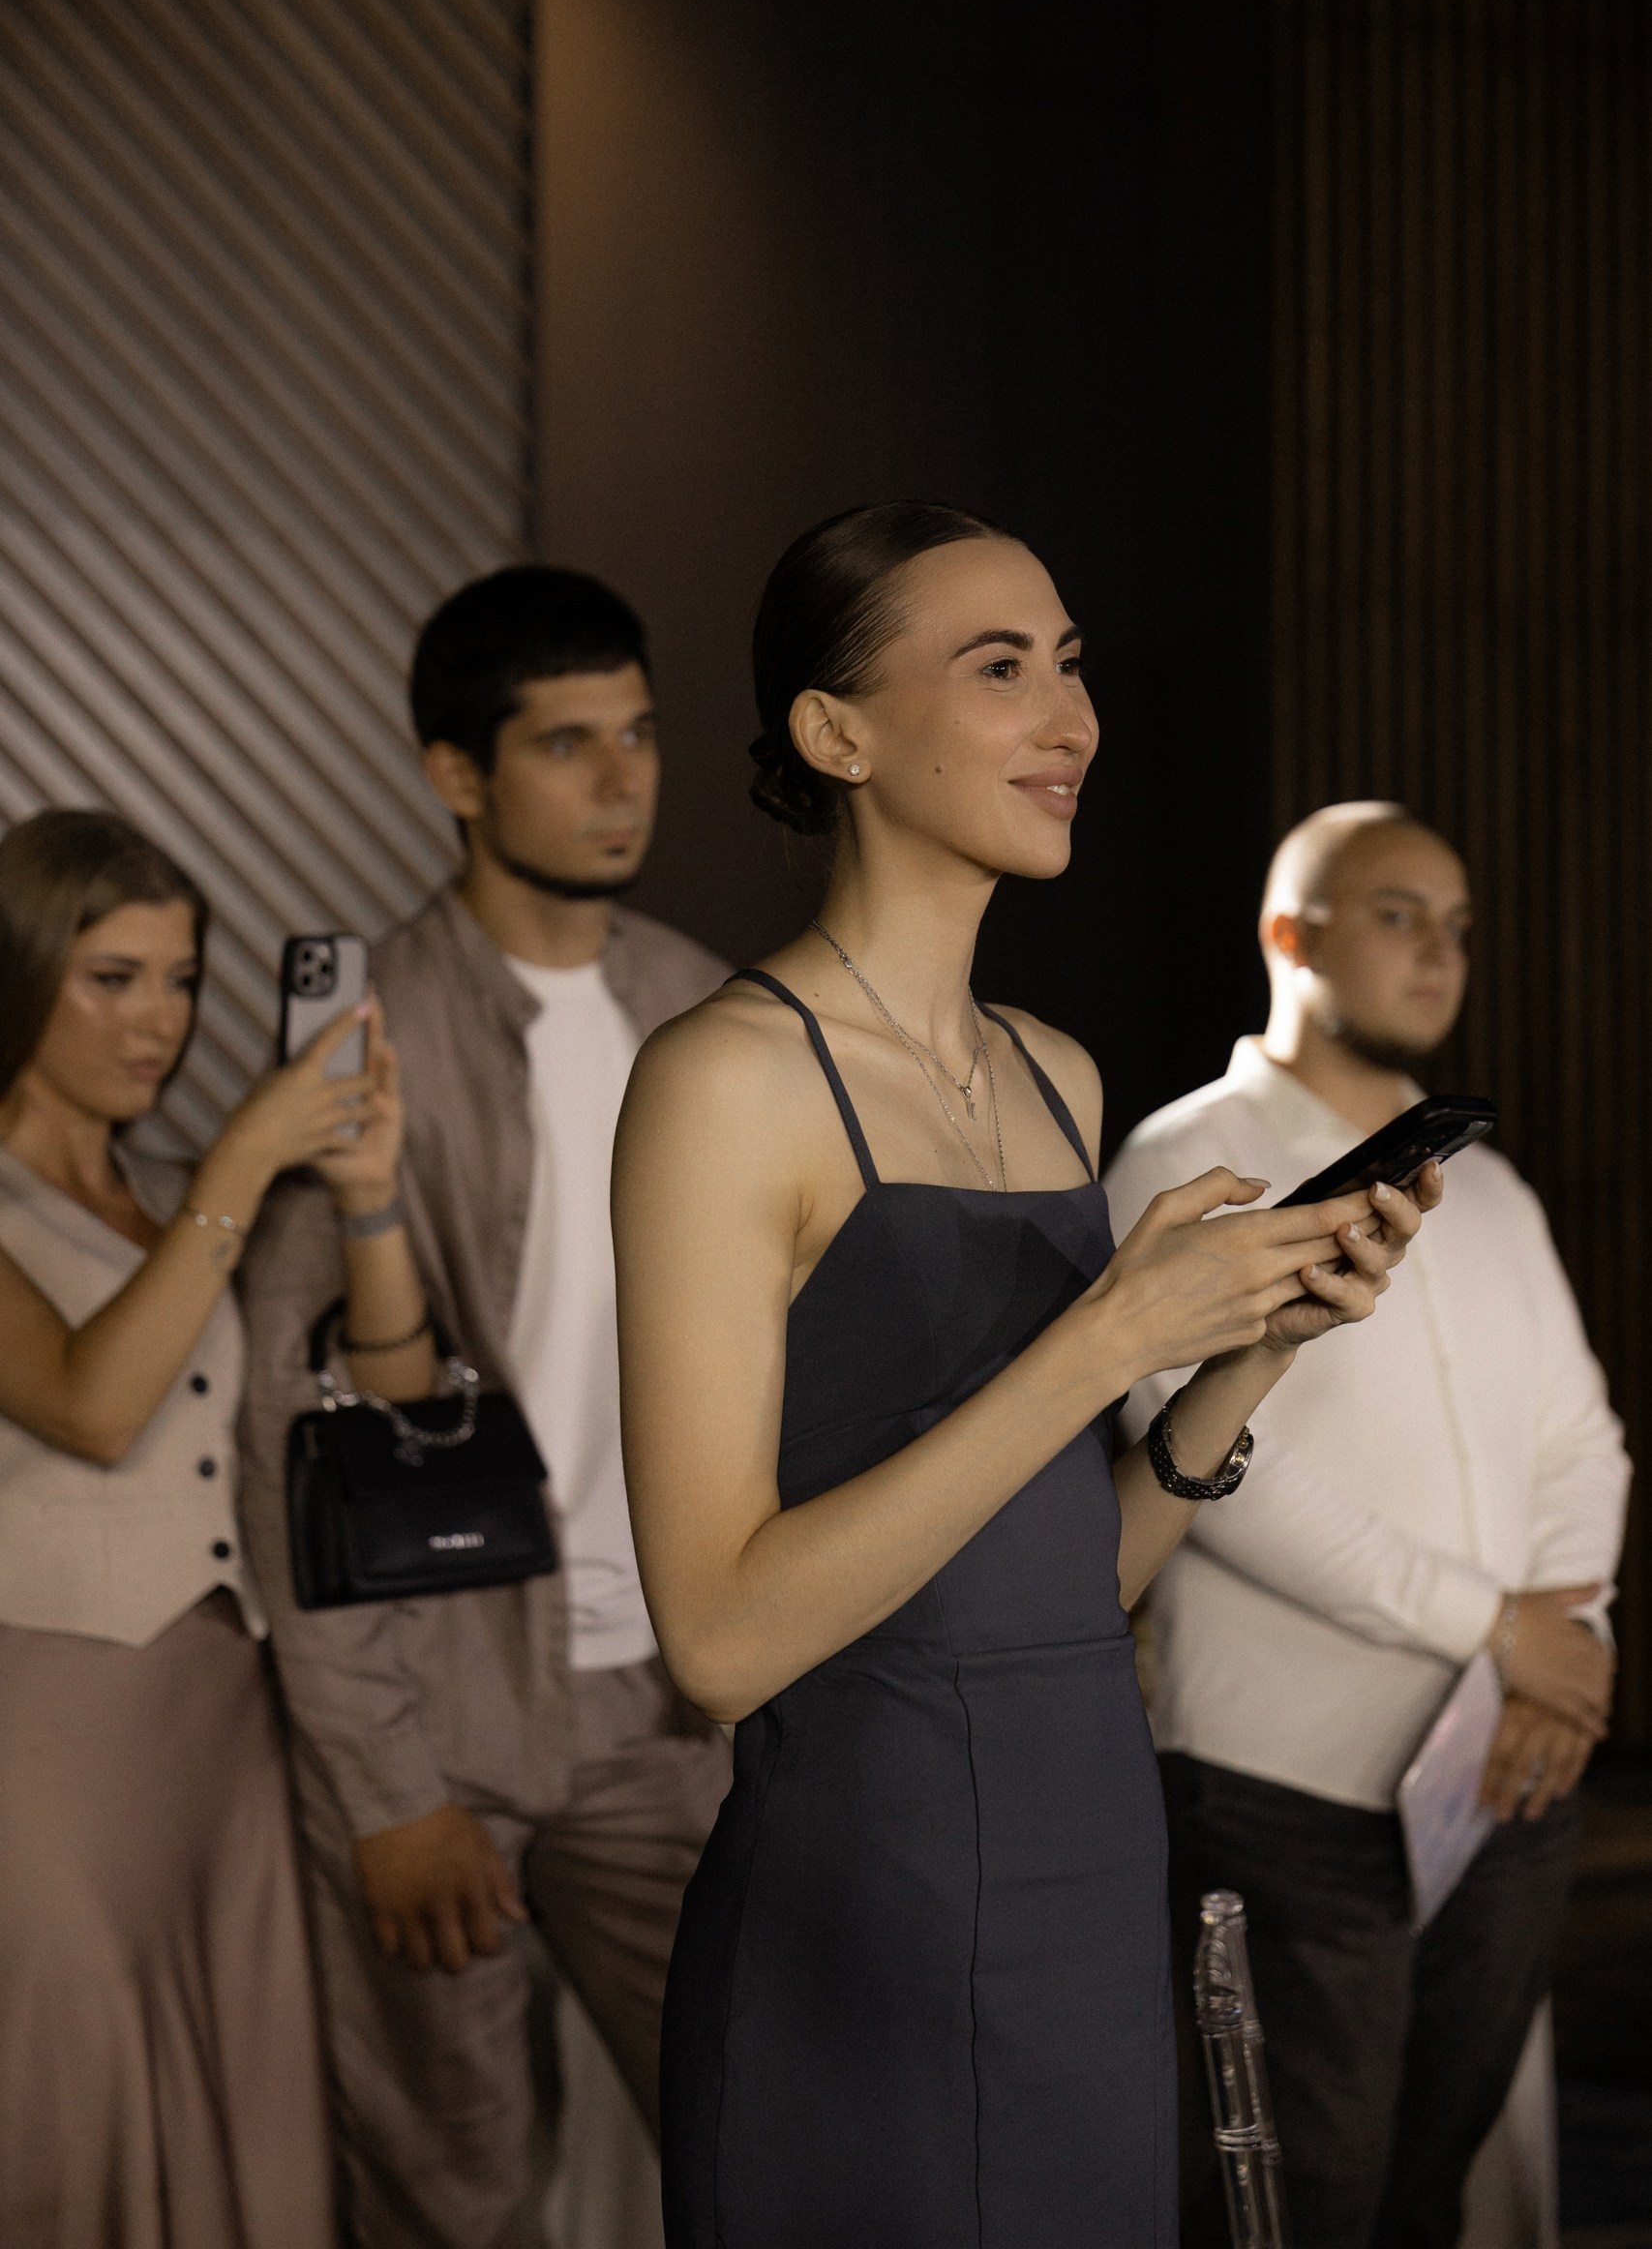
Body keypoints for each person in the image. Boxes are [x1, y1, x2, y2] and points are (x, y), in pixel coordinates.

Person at [611, 504, 1443, 2249]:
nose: (1071, 719)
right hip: (865, 1898)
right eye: (1000, 669)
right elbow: (722, 1643)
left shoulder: (1056, 1077)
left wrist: (1250, 1359)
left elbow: (1065, 1582)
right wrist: (1108, 1340)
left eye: (1070, 665)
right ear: (836, 733)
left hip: (1091, 1883)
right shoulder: (723, 1080)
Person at [237, 566, 734, 2248]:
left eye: (640, 735)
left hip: (676, 1710)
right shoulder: (367, 1039)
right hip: (442, 1712)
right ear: (457, 773)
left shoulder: (708, 1011)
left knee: (763, 2154)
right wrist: (386, 1783)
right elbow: (287, 1435)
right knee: (451, 2202)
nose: (622, 781)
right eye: (566, 744)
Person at [1103, 800, 1632, 2249]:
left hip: (1502, 1771)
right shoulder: (1184, 1163)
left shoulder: (1492, 1188)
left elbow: (1582, 1442)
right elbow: (1206, 1463)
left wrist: (1562, 1647)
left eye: (1457, 925)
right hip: (1283, 1793)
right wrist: (1497, 1628)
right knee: (1290, 2200)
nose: (1439, 953)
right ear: (1292, 934)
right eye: (1400, 915)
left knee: (1427, 2193)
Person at [0, 806, 424, 2247]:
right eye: (113, 978)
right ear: (21, 972)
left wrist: (367, 1204)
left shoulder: (184, 1195)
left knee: (247, 2095)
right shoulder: (200, 1195)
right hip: (52, 1735)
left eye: (181, 979)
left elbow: (391, 1398)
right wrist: (245, 1164)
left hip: (232, 1722)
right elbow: (94, 1405)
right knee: (79, 2100)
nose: (161, 1021)